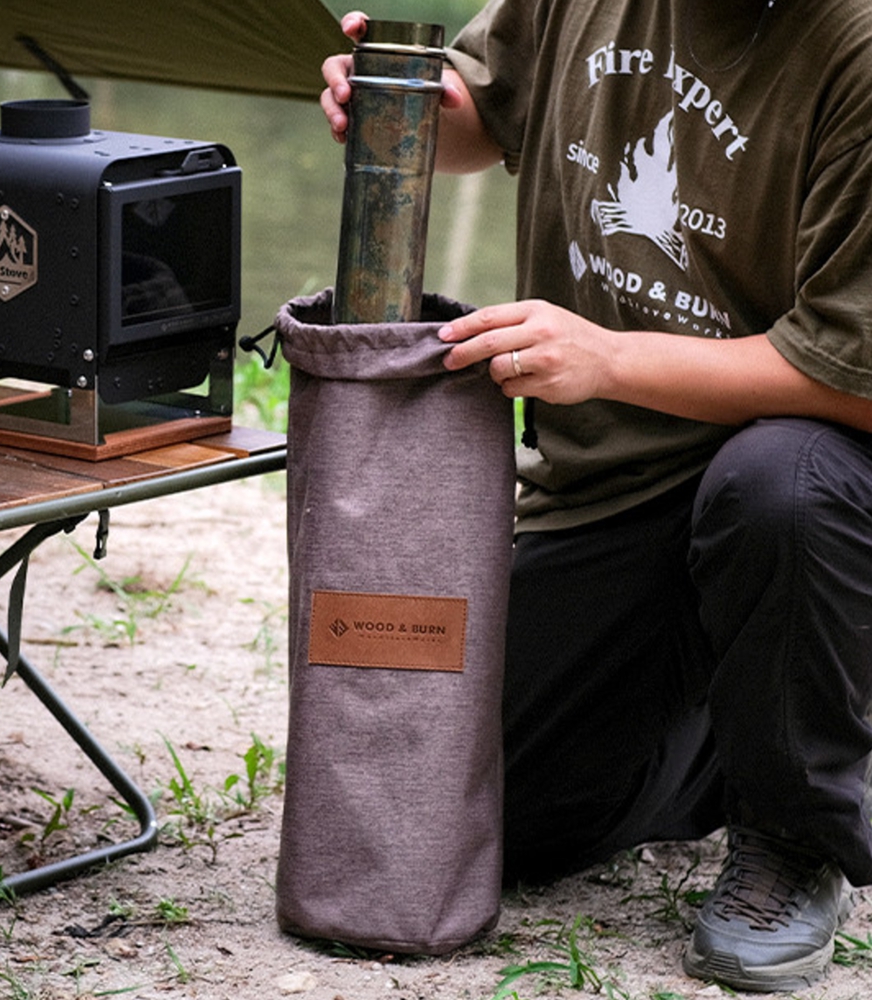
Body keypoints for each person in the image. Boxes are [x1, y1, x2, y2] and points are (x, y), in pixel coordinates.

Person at [321, 2, 872, 993]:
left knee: (779, 487)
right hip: (610, 488)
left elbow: (856, 380)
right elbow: (478, 121)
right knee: (509, 821)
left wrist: (610, 359)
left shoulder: (857, 46)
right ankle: (754, 707)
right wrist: (397, 105)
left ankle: (794, 827)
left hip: (805, 478)